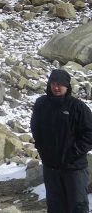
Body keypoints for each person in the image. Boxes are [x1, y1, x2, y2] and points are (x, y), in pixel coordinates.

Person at [31, 68, 92, 213]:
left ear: (67, 86)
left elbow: (90, 133)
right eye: (53, 83)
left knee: (78, 206)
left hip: (74, 168)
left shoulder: (77, 107)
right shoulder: (41, 104)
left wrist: (74, 151)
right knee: (55, 206)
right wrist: (41, 147)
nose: (56, 87)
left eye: (60, 84)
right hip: (51, 167)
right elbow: (35, 127)